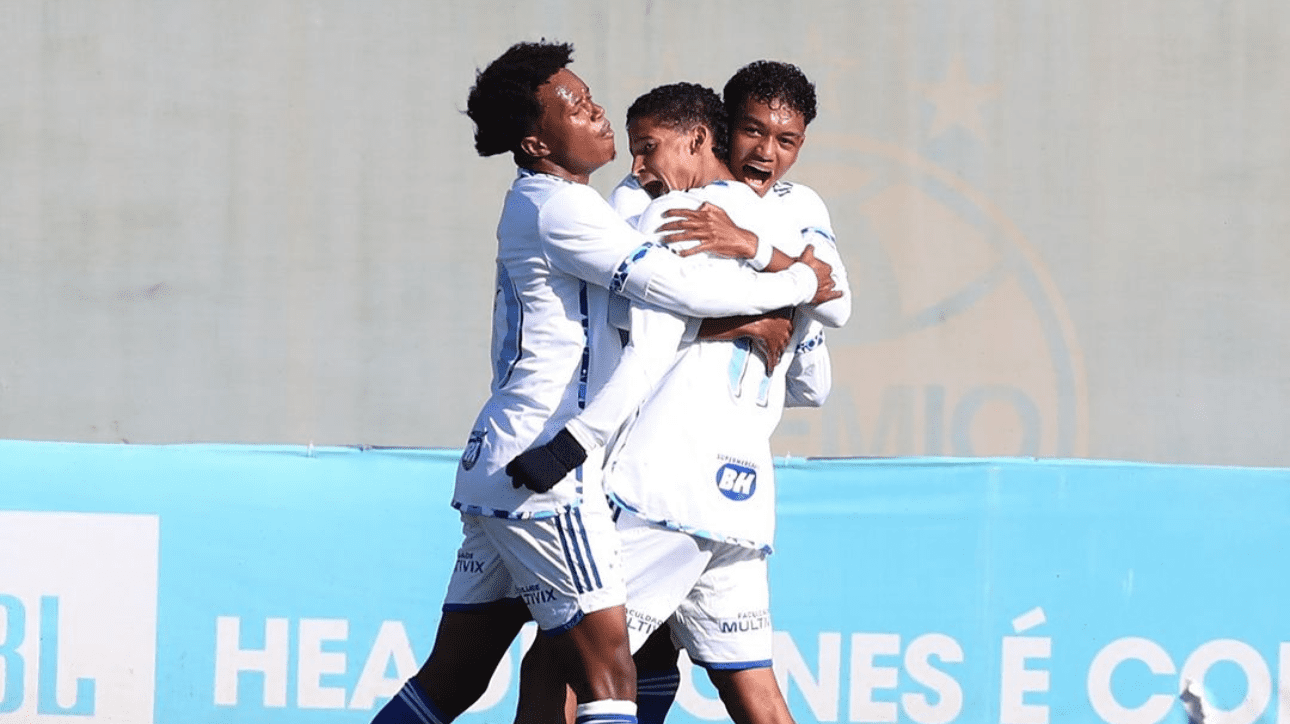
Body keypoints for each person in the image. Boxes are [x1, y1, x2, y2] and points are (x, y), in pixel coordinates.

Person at [370, 42, 839, 724]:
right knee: (604, 673)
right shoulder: (574, 209)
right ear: (535, 141)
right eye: (580, 107)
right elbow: (673, 288)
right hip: (547, 467)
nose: (600, 120)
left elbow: (648, 322)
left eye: (593, 102)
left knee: (460, 677)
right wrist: (796, 283)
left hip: (510, 460)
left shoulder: (577, 204)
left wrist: (740, 312)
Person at [508, 80, 850, 724]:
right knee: (754, 693)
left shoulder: (675, 216)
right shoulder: (787, 227)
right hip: (742, 499)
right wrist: (772, 305)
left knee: (559, 665)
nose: (636, 168)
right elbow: (815, 380)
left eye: (647, 149)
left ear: (698, 139)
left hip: (666, 485)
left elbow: (634, 330)